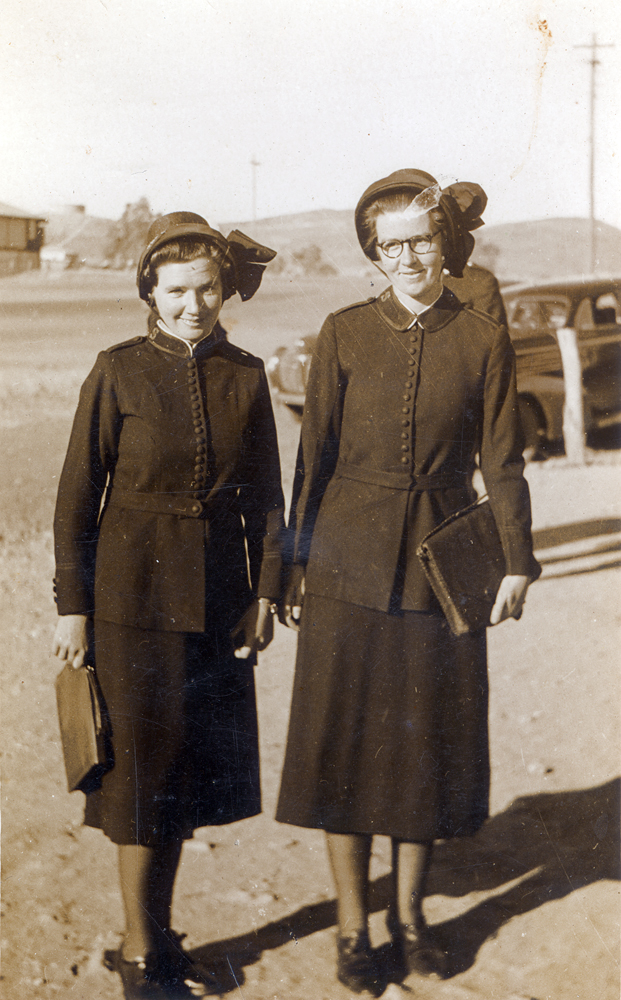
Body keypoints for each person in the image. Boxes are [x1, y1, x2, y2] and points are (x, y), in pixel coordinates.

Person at [276, 169, 540, 993]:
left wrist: (516, 560)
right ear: (372, 253)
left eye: (419, 240)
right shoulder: (343, 332)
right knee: (342, 750)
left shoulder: (482, 337)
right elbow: (311, 458)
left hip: (442, 567)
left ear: (445, 243)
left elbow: (502, 460)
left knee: (424, 748)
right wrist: (290, 565)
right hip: (345, 567)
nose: (406, 258)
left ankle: (411, 918)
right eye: (388, 245)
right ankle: (355, 929)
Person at [52, 213, 284, 999]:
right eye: (178, 291)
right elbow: (75, 500)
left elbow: (269, 506)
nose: (194, 305)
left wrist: (265, 596)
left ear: (224, 290)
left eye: (208, 289)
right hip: (130, 603)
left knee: (184, 773)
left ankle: (157, 927)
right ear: (150, 290)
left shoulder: (247, 375)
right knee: (138, 775)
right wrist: (72, 608)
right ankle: (140, 947)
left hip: (218, 601)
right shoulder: (115, 371)